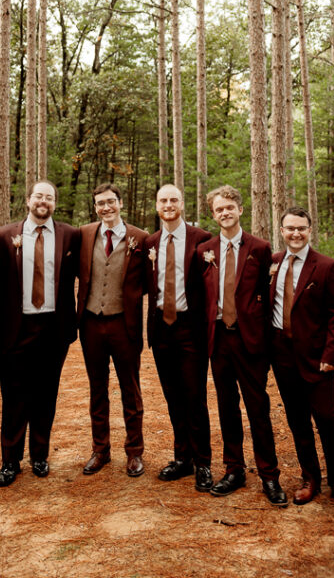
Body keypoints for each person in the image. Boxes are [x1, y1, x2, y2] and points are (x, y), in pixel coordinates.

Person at [198, 185, 287, 505]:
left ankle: (269, 475)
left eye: (229, 207)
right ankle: (234, 469)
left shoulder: (260, 249)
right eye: (219, 209)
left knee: (258, 408)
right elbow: (201, 297)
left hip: (251, 341)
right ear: (214, 214)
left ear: (240, 209)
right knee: (226, 407)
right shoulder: (205, 251)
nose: (225, 213)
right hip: (219, 338)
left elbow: (269, 292)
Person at [270, 207, 334, 512]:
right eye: (290, 228)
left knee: (327, 419)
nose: (296, 233)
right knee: (297, 420)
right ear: (281, 231)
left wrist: (331, 355)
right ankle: (310, 479)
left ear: (310, 230)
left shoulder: (326, 266)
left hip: (317, 358)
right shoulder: (274, 263)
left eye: (302, 228)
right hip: (282, 357)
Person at [0, 179, 80, 487]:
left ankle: (39, 455)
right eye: (38, 196)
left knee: (46, 394)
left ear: (55, 204)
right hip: (16, 327)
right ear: (28, 200)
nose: (43, 201)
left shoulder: (70, 235)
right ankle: (10, 460)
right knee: (14, 395)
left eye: (49, 197)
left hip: (54, 328)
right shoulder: (4, 236)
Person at [144, 183, 213, 491]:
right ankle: (182, 458)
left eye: (173, 199)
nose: (168, 204)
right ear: (157, 206)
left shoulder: (202, 240)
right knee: (173, 396)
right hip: (161, 328)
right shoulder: (151, 242)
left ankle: (203, 463)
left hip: (190, 327)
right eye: (163, 200)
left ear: (182, 204)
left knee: (194, 396)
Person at [77, 182, 148, 477]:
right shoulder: (84, 234)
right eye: (100, 204)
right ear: (95, 207)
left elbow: (150, 279)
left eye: (110, 202)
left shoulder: (140, 238)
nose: (105, 207)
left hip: (124, 323)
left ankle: (134, 452)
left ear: (120, 203)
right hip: (91, 322)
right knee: (97, 388)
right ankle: (100, 449)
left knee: (130, 389)